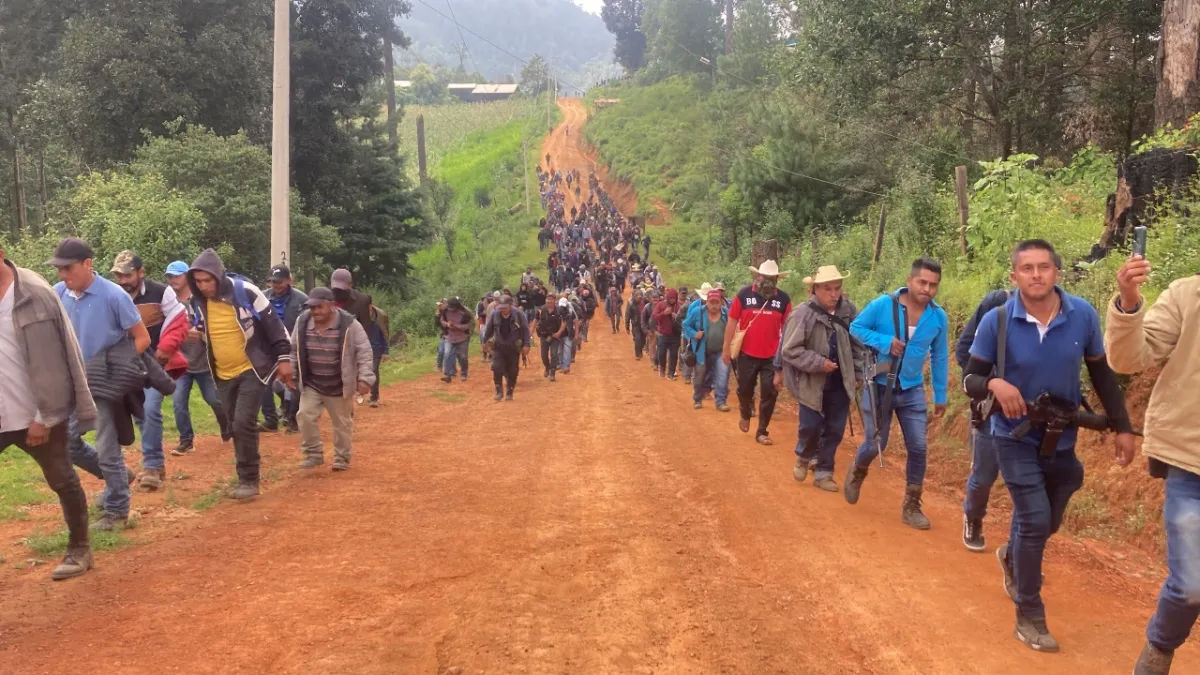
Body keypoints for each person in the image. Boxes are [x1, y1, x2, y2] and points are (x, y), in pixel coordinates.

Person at [963, 240, 1134, 652]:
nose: (1036, 275)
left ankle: (1012, 556)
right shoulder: (997, 321)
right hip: (1012, 436)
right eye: (1027, 268)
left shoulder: (1083, 315)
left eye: (1044, 267)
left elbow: (1102, 374)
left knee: (1055, 502)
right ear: (1014, 276)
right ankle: (1029, 615)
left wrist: (1123, 426)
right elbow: (970, 379)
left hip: (1062, 434)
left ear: (1057, 272)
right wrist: (995, 382)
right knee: (1035, 519)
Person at [1105, 254, 1199, 674]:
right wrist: (1128, 300)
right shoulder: (1188, 294)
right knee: (1191, 584)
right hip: (1191, 461)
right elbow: (1129, 359)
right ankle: (1159, 649)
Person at [0, 244, 98, 579]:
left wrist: (44, 418)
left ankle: (80, 549)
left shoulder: (35, 293)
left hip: (36, 414)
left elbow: (58, 359)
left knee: (61, 478)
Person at [49, 239, 150, 530]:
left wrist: (118, 371)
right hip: (72, 383)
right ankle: (118, 478)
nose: (62, 275)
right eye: (59, 269)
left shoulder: (114, 295)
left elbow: (142, 338)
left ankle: (117, 510)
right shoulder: (58, 293)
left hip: (105, 384)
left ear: (87, 264)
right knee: (68, 444)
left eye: (67, 268)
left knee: (107, 448)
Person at [845, 257, 949, 530]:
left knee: (919, 447)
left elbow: (940, 356)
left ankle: (911, 505)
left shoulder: (938, 317)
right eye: (922, 282)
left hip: (912, 388)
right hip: (879, 386)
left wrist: (940, 394)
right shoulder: (883, 305)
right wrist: (884, 342)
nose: (927, 289)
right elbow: (856, 328)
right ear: (909, 280)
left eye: (933, 285)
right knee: (875, 443)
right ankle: (858, 469)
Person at [187, 249, 293, 501]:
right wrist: (197, 332)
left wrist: (284, 358)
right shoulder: (198, 301)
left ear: (218, 276)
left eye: (207, 280)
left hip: (250, 368)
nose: (203, 286)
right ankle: (245, 474)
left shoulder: (246, 292)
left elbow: (274, 326)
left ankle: (249, 479)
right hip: (222, 372)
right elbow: (205, 327)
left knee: (243, 421)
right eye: (198, 281)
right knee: (234, 424)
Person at [779, 266, 862, 492]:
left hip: (840, 381)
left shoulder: (849, 311)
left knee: (835, 429)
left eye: (837, 288)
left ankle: (824, 472)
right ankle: (804, 456)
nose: (834, 294)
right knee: (811, 425)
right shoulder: (802, 314)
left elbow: (858, 344)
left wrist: (857, 373)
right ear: (815, 289)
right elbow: (790, 350)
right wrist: (818, 363)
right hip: (811, 382)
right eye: (827, 288)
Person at [111, 250, 186, 491]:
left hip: (155, 363)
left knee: (149, 408)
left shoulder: (160, 292)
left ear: (140, 273)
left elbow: (179, 320)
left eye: (127, 275)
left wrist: (166, 349)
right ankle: (155, 463)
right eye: (118, 276)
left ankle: (152, 466)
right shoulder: (112, 295)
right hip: (126, 366)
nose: (123, 281)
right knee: (139, 414)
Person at [292, 288, 375, 471]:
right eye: (312, 307)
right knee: (304, 415)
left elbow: (364, 351)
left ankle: (342, 458)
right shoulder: (302, 321)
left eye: (319, 307)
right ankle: (313, 454)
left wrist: (365, 378)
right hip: (312, 383)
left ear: (331, 305)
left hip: (339, 384)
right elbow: (294, 348)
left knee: (341, 423)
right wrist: (292, 373)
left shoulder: (349, 324)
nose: (315, 311)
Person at [957, 287, 1013, 551]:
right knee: (984, 474)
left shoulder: (1055, 312)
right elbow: (964, 349)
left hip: (1029, 411)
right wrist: (985, 384)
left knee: (1029, 481)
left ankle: (1021, 546)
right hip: (991, 408)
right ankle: (973, 517)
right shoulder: (997, 303)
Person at [724, 260, 793, 446]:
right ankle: (745, 412)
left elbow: (788, 330)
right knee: (744, 389)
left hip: (772, 357)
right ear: (758, 276)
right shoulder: (744, 295)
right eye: (765, 277)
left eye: (772, 277)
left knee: (770, 393)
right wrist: (726, 348)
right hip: (746, 354)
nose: (768, 280)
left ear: (777, 279)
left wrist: (784, 360)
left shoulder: (784, 300)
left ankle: (762, 431)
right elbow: (732, 321)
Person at [165, 261, 230, 455]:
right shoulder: (168, 302)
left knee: (214, 400)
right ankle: (186, 441)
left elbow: (216, 327)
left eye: (176, 275)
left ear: (187, 277)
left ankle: (226, 426)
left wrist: (201, 333)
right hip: (180, 364)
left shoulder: (201, 300)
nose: (172, 280)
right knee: (178, 403)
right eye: (169, 276)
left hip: (203, 362)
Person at [260, 265, 307, 432]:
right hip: (268, 346)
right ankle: (270, 419)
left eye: (279, 281)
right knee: (264, 381)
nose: (276, 285)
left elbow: (307, 323)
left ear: (288, 280)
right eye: (273, 281)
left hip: (292, 345)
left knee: (292, 380)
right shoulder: (262, 297)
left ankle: (291, 417)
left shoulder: (302, 299)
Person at [683, 288, 731, 412]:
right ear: (707, 302)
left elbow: (733, 327)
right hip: (701, 352)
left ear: (721, 302)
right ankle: (697, 399)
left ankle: (721, 401)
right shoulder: (697, 312)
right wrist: (694, 334)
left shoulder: (726, 313)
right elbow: (685, 324)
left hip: (721, 351)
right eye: (712, 302)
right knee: (699, 376)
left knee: (722, 375)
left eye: (717, 302)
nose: (714, 306)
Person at [483, 295, 531, 401]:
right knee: (496, 367)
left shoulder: (519, 314)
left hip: (513, 348)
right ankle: (499, 390)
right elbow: (489, 329)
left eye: (505, 307)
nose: (503, 309)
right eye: (501, 307)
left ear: (510, 305)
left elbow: (525, 330)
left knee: (512, 370)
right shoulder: (495, 314)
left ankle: (510, 390)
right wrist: (484, 342)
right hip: (499, 347)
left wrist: (527, 344)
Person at [330, 268, 375, 341]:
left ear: (350, 285)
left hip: (352, 341)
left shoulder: (362, 300)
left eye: (341, 289)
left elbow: (366, 329)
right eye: (335, 288)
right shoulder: (325, 298)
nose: (338, 291)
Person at [652, 288, 684, 380]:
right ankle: (662, 368)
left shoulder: (679, 307)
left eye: (674, 298)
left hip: (675, 335)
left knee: (674, 355)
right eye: (671, 298)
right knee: (662, 353)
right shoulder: (661, 304)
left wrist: (677, 317)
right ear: (668, 297)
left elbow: (684, 320)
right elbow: (654, 316)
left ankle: (671, 374)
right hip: (663, 334)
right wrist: (664, 313)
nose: (672, 300)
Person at [440, 297, 473, 383]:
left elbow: (469, 325)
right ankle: (447, 375)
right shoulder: (445, 311)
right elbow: (442, 320)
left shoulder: (465, 313)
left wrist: (457, 326)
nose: (451, 309)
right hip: (449, 337)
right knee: (447, 354)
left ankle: (464, 373)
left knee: (463, 357)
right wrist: (447, 324)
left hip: (462, 338)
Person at [535, 293, 566, 381]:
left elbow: (564, 322)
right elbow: (535, 320)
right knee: (543, 356)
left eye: (551, 299)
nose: (549, 300)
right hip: (544, 336)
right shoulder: (541, 309)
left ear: (554, 300)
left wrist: (559, 333)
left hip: (555, 336)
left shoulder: (559, 310)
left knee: (554, 354)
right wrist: (530, 331)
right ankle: (547, 367)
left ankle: (552, 373)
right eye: (547, 299)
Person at [367, 304, 389, 407]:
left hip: (376, 350)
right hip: (364, 350)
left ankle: (374, 397)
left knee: (374, 370)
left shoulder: (378, 321)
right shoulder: (360, 321)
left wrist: (385, 351)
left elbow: (384, 336)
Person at [626, 289, 648, 360]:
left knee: (643, 340)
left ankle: (640, 350)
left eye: (640, 297)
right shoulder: (630, 303)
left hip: (644, 324)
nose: (639, 298)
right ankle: (637, 354)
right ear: (634, 297)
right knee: (637, 339)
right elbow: (627, 315)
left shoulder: (645, 302)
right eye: (638, 297)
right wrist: (627, 327)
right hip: (636, 325)